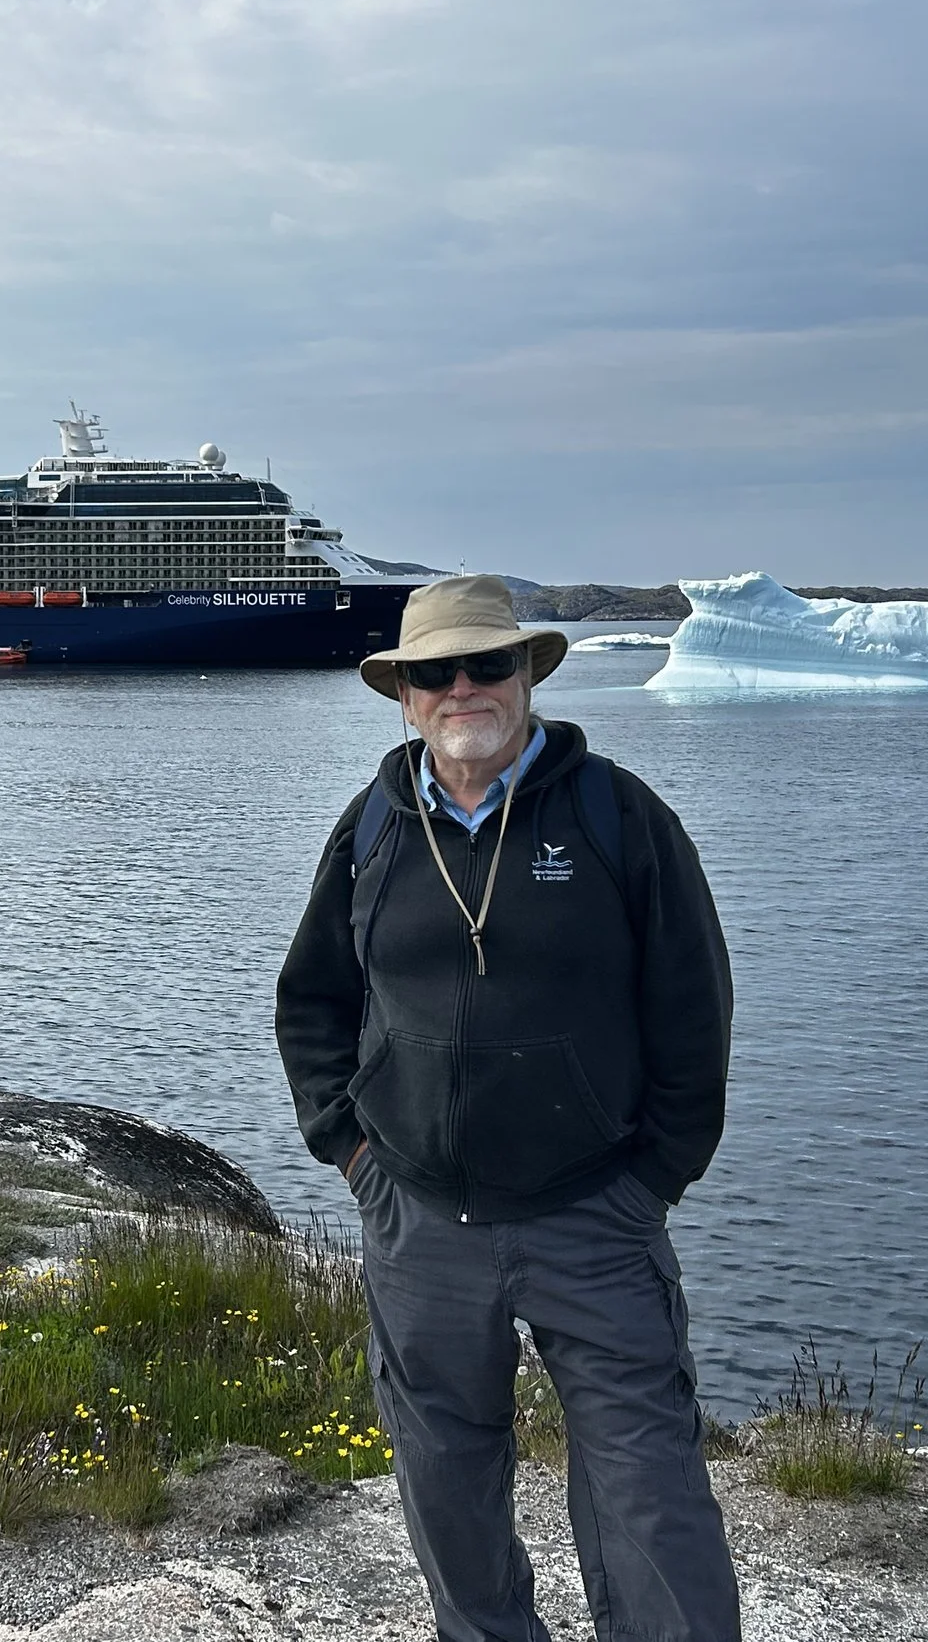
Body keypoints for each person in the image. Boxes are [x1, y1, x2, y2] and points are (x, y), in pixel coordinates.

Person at [275, 574, 741, 1642]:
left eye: (486, 665)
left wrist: (652, 1181)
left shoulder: (619, 816)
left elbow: (692, 1009)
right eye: (435, 673)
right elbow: (311, 1002)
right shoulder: (373, 828)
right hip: (421, 1221)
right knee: (446, 1484)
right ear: (404, 695)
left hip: (593, 1216)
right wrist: (350, 1152)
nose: (462, 688)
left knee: (649, 1490)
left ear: (526, 674)